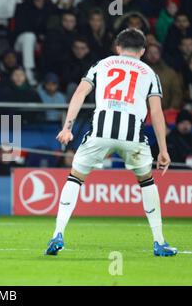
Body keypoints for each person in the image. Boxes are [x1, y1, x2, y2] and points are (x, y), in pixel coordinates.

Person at [45, 28, 178, 257]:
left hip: (101, 133)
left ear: (118, 47)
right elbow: (156, 113)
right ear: (143, 51)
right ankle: (159, 242)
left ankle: (58, 233)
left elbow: (79, 93)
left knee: (75, 177)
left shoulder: (102, 64)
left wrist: (67, 128)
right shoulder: (149, 73)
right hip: (132, 137)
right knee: (146, 182)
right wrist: (163, 150)